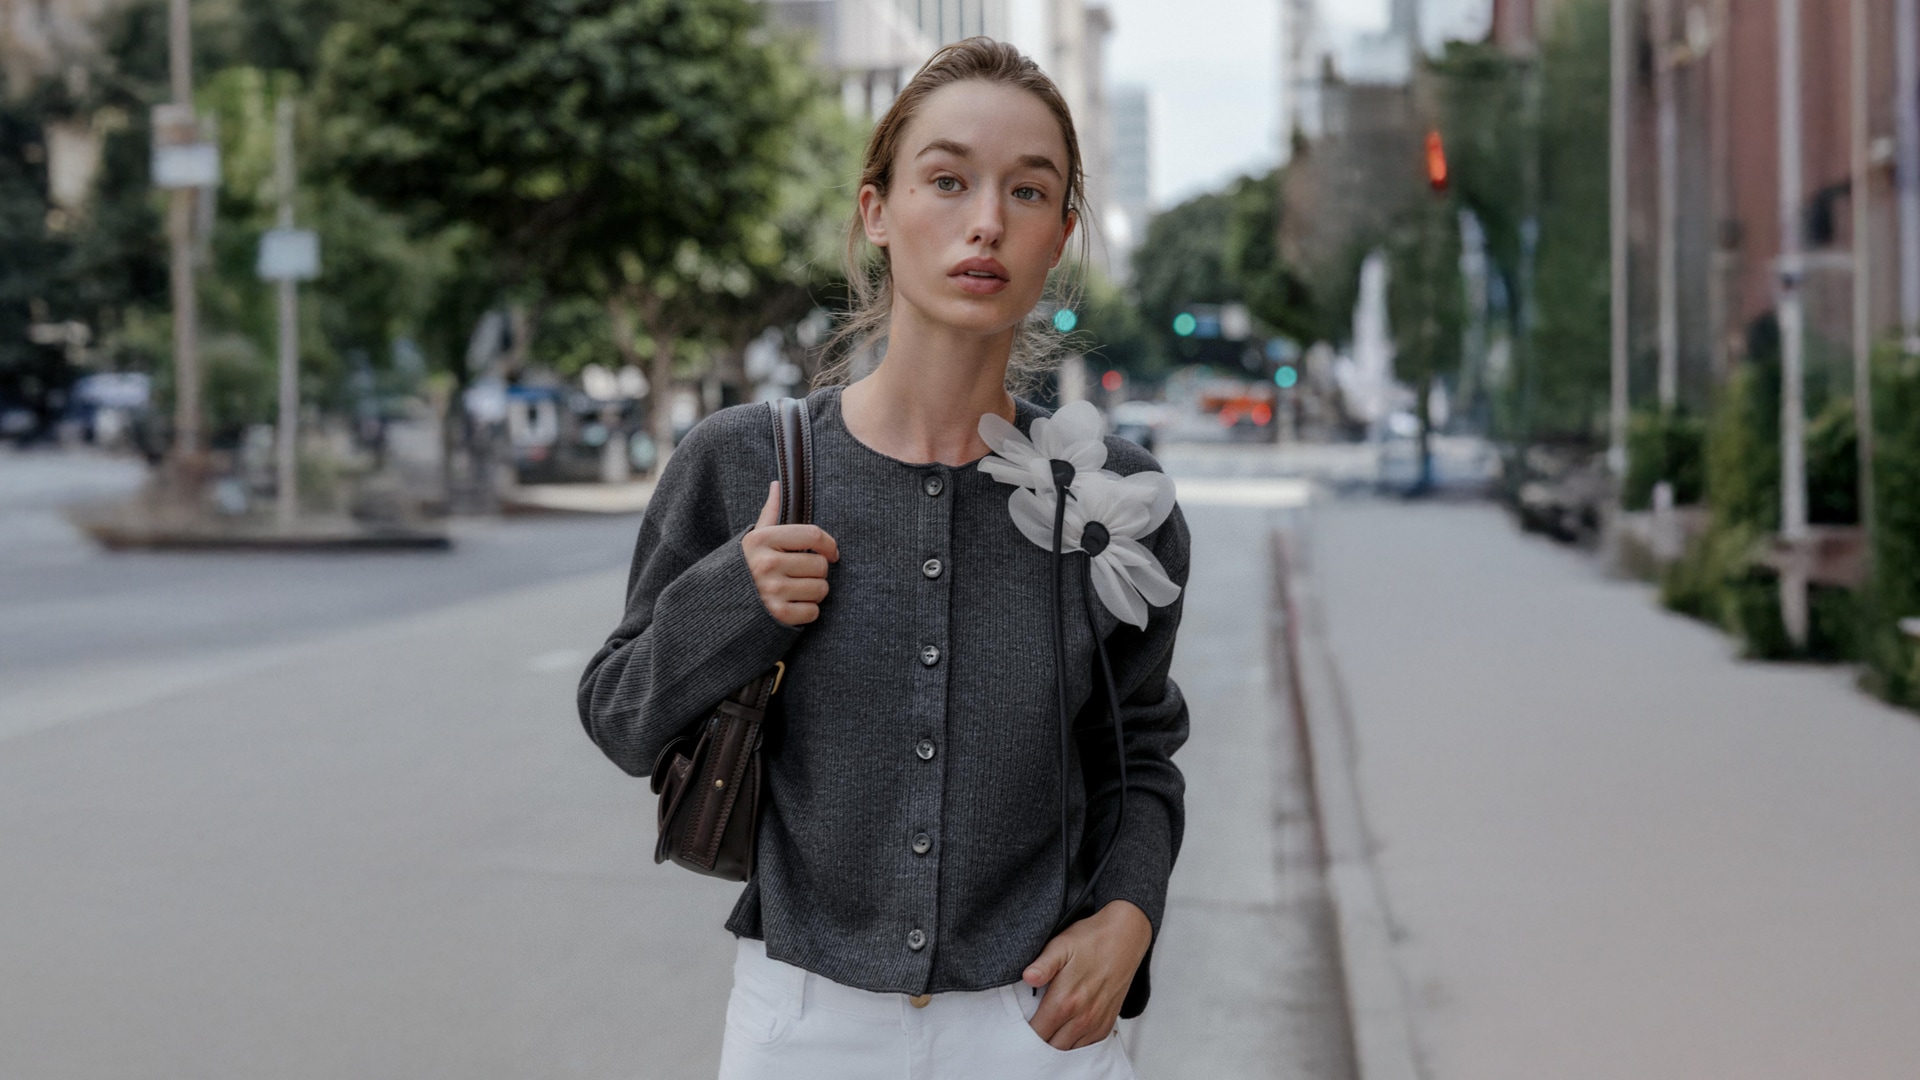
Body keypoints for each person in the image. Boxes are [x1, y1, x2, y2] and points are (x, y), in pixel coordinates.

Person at [577, 37, 1190, 1080]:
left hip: (1035, 1023)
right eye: (947, 180)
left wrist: (1129, 915)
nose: (986, 220)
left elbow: (1139, 751)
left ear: (1061, 238)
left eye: (1028, 192)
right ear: (876, 212)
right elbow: (621, 715)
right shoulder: (742, 462)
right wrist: (740, 598)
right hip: (803, 1023)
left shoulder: (1114, 501)